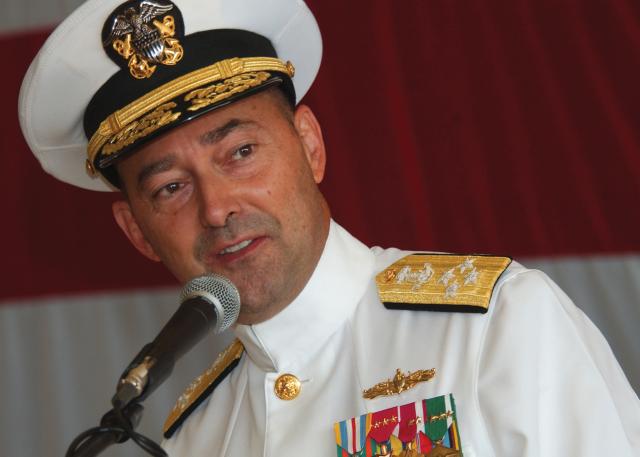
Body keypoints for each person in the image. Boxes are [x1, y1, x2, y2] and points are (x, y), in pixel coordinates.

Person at [19, 0, 640, 455]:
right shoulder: (196, 435)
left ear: (310, 146)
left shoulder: (497, 329)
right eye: (170, 188)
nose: (215, 208)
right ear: (136, 231)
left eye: (239, 153)